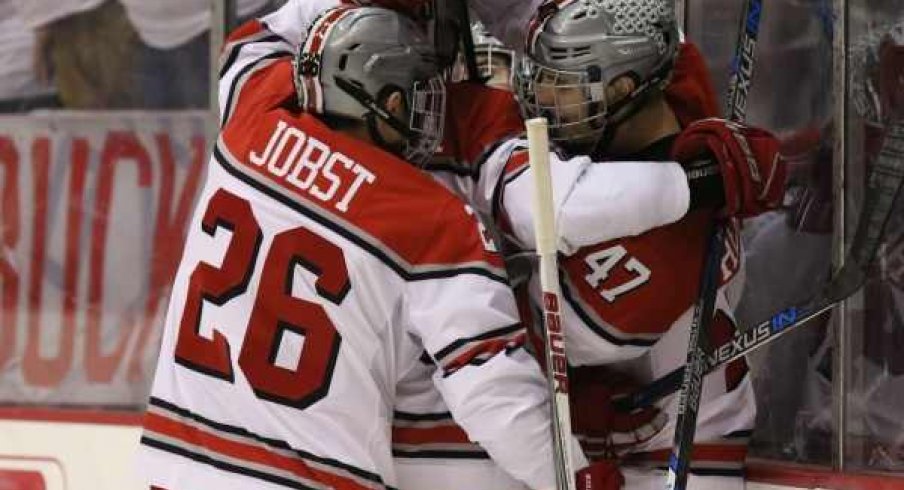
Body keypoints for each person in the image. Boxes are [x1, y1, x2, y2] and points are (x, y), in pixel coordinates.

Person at [136, 5, 626, 490]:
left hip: (173, 462)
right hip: (308, 478)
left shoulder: (251, 116)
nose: (430, 116)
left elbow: (256, 38)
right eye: (418, 97)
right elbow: (495, 396)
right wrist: (578, 479)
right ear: (388, 103)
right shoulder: (428, 217)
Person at [507, 0, 788, 488]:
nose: (543, 96)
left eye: (565, 83)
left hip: (671, 459)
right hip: (654, 430)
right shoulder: (669, 115)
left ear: (623, 88)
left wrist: (574, 388)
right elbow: (678, 59)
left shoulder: (660, 243)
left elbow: (525, 334)